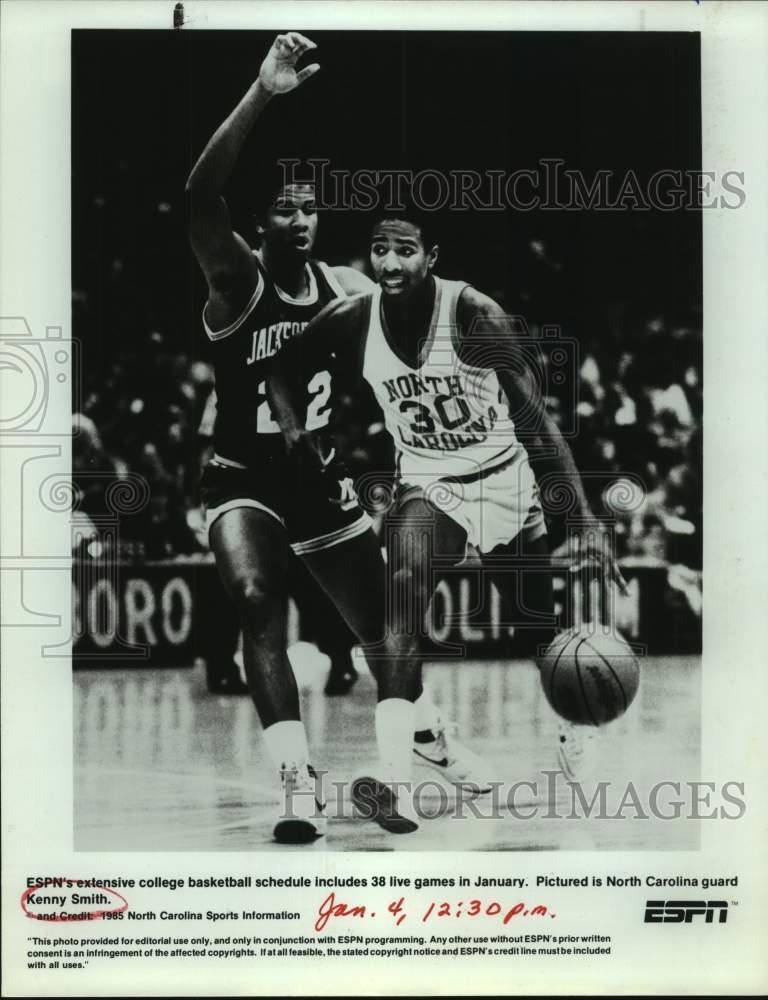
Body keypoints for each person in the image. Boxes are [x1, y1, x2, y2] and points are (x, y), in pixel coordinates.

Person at [186, 36, 488, 842]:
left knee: (388, 630)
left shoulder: (348, 289)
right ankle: (296, 781)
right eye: (285, 207)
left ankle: (427, 739)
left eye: (311, 207)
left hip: (317, 478)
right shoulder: (234, 280)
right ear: (262, 222)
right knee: (257, 602)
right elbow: (197, 194)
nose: (301, 217)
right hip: (242, 476)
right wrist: (261, 91)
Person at [268, 207, 626, 829]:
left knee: (535, 627)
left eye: (404, 250)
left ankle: (574, 727)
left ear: (431, 257)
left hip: (505, 483)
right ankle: (396, 783)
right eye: (379, 250)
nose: (389, 263)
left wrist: (586, 522)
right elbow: (281, 367)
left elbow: (537, 423)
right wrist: (295, 430)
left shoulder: (474, 316)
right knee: (399, 597)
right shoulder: (356, 320)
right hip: (429, 484)